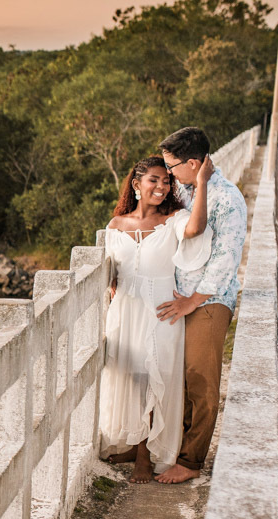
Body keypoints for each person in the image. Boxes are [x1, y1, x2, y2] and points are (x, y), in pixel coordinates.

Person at [100, 155, 214, 482]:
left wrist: (202, 183)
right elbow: (110, 270)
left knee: (155, 378)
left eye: (167, 181)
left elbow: (196, 228)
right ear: (137, 185)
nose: (162, 187)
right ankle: (132, 441)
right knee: (131, 377)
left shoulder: (175, 218)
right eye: (154, 180)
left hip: (161, 309)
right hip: (125, 309)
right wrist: (110, 287)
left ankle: (144, 458)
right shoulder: (115, 225)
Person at [153, 127, 248, 484]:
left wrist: (195, 300)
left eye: (172, 165)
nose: (169, 173)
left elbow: (227, 257)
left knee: (200, 377)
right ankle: (167, 446)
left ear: (194, 163)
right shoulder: (183, 190)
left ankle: (191, 462)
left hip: (209, 299)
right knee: (172, 375)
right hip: (177, 295)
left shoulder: (227, 198)